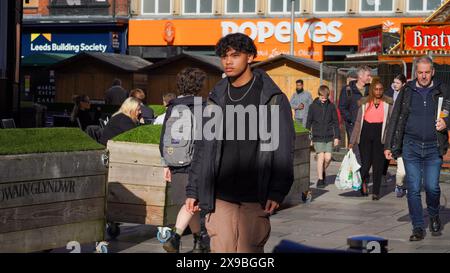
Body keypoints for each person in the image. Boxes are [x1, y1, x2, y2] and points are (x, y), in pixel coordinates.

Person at [185, 33, 295, 253]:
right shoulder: (217, 96)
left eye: (235, 55)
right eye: (224, 56)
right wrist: (194, 188)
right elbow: (203, 147)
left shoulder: (271, 97)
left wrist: (277, 190)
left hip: (255, 195)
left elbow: (282, 147)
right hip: (220, 196)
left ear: (250, 57)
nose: (228, 61)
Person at [384, 56, 449, 241]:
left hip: (433, 147)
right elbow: (395, 117)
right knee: (412, 188)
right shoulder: (407, 90)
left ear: (433, 72)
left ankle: (434, 214)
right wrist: (389, 145)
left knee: (432, 187)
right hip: (410, 146)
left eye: (427, 72)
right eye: (420, 72)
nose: (423, 76)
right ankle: (418, 226)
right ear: (415, 73)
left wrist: (446, 123)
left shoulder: (442, 90)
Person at [160, 68, 209, 253]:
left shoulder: (172, 105)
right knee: (192, 201)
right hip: (195, 161)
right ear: (199, 85)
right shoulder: (202, 106)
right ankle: (176, 237)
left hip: (176, 159)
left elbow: (164, 135)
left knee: (190, 203)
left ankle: (198, 242)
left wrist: (165, 163)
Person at [349, 80, 393, 200]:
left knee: (378, 165)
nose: (378, 92)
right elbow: (358, 122)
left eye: (380, 89)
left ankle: (376, 192)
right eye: (376, 89)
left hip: (380, 135)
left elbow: (390, 123)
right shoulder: (364, 103)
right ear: (372, 89)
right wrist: (352, 140)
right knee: (366, 163)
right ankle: (363, 181)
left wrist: (390, 141)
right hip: (366, 134)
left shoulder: (388, 103)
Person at [306, 85, 340, 188]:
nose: (324, 99)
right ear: (319, 95)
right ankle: (320, 179)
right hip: (317, 135)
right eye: (322, 97)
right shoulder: (313, 106)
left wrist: (337, 137)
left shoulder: (331, 106)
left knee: (328, 158)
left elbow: (335, 122)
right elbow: (309, 122)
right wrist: (309, 137)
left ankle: (322, 170)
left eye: (326, 97)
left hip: (329, 136)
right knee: (321, 156)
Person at [339, 66, 372, 141]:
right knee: (355, 150)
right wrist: (351, 120)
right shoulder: (348, 89)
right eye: (368, 75)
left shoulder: (371, 89)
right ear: (360, 76)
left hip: (368, 125)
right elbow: (342, 107)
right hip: (353, 126)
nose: (370, 77)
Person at [389, 74, 408, 198]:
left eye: (398, 82)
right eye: (394, 82)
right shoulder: (390, 95)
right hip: (398, 136)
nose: (395, 85)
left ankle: (409, 187)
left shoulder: (409, 96)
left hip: (411, 138)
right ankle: (399, 185)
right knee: (401, 172)